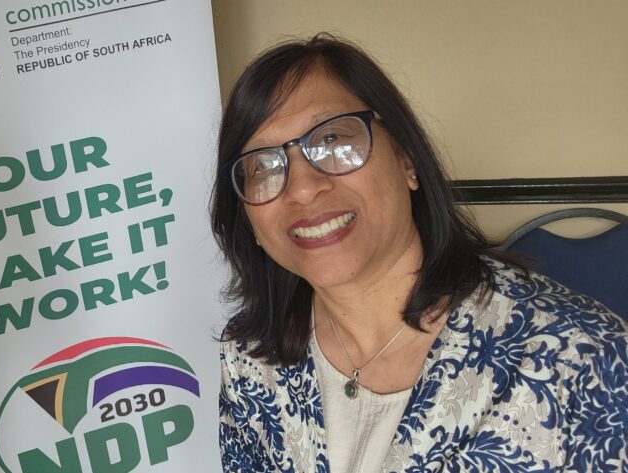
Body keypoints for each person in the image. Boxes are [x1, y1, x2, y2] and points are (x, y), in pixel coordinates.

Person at [211, 34, 628, 472]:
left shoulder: (586, 361)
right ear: (249, 221)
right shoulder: (250, 359)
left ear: (406, 158)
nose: (302, 188)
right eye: (262, 166)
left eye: (332, 140)